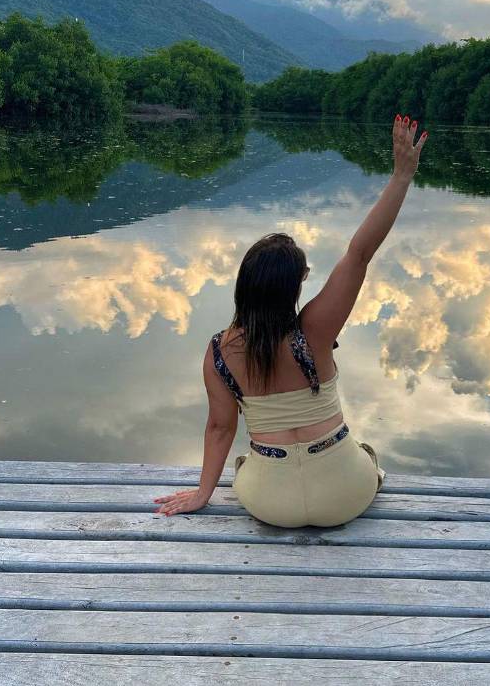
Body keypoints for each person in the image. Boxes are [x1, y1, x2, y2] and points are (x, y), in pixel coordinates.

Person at [153, 113, 428, 527]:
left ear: (245, 286)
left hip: (271, 505)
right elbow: (360, 253)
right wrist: (401, 177)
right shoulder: (315, 332)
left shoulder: (219, 352)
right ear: (294, 286)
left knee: (247, 463)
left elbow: (219, 429)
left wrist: (201, 494)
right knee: (366, 455)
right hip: (344, 496)